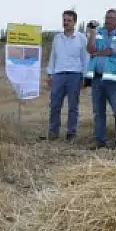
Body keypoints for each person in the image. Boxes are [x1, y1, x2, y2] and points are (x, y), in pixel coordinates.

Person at [86, 9, 116, 149]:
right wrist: (92, 35)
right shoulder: (98, 33)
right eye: (106, 17)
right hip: (97, 78)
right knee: (98, 112)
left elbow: (111, 51)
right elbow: (90, 49)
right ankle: (100, 141)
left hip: (113, 79)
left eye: (111, 18)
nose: (108, 20)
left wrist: (97, 53)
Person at [44, 9, 89, 141]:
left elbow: (85, 58)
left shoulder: (81, 38)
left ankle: (71, 133)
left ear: (74, 22)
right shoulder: (57, 38)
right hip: (58, 74)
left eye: (69, 20)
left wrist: (85, 77)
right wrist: (50, 74)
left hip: (75, 75)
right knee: (55, 105)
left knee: (73, 106)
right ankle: (53, 132)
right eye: (64, 20)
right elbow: (53, 56)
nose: (66, 23)